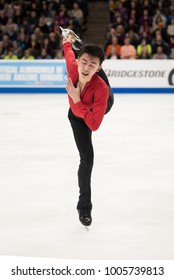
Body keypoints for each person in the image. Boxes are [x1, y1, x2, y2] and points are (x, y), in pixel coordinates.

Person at [63, 33, 109, 227]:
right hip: (77, 117)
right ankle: (84, 208)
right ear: (78, 60)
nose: (86, 67)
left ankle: (84, 48)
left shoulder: (101, 89)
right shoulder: (74, 68)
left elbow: (94, 125)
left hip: (98, 106)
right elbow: (67, 52)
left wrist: (76, 99)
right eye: (84, 62)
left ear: (98, 68)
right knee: (87, 159)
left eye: (92, 65)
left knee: (104, 86)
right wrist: (66, 40)